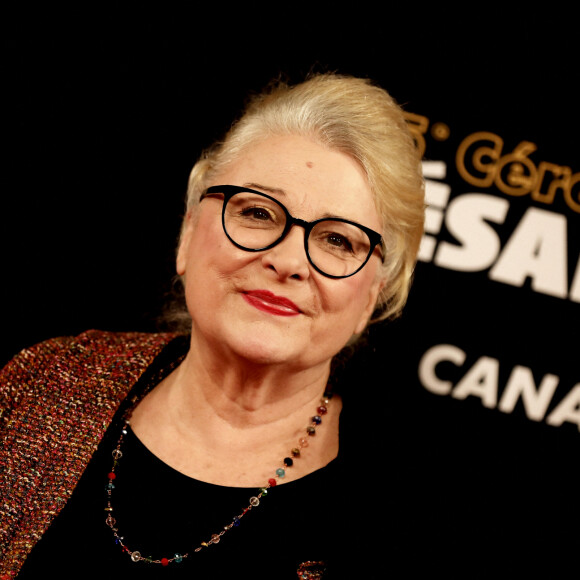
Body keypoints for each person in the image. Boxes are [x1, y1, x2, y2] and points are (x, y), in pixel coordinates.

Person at [0, 72, 425, 579]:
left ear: (371, 298)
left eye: (338, 241)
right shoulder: (46, 381)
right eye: (259, 213)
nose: (288, 261)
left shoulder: (402, 514)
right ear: (186, 234)